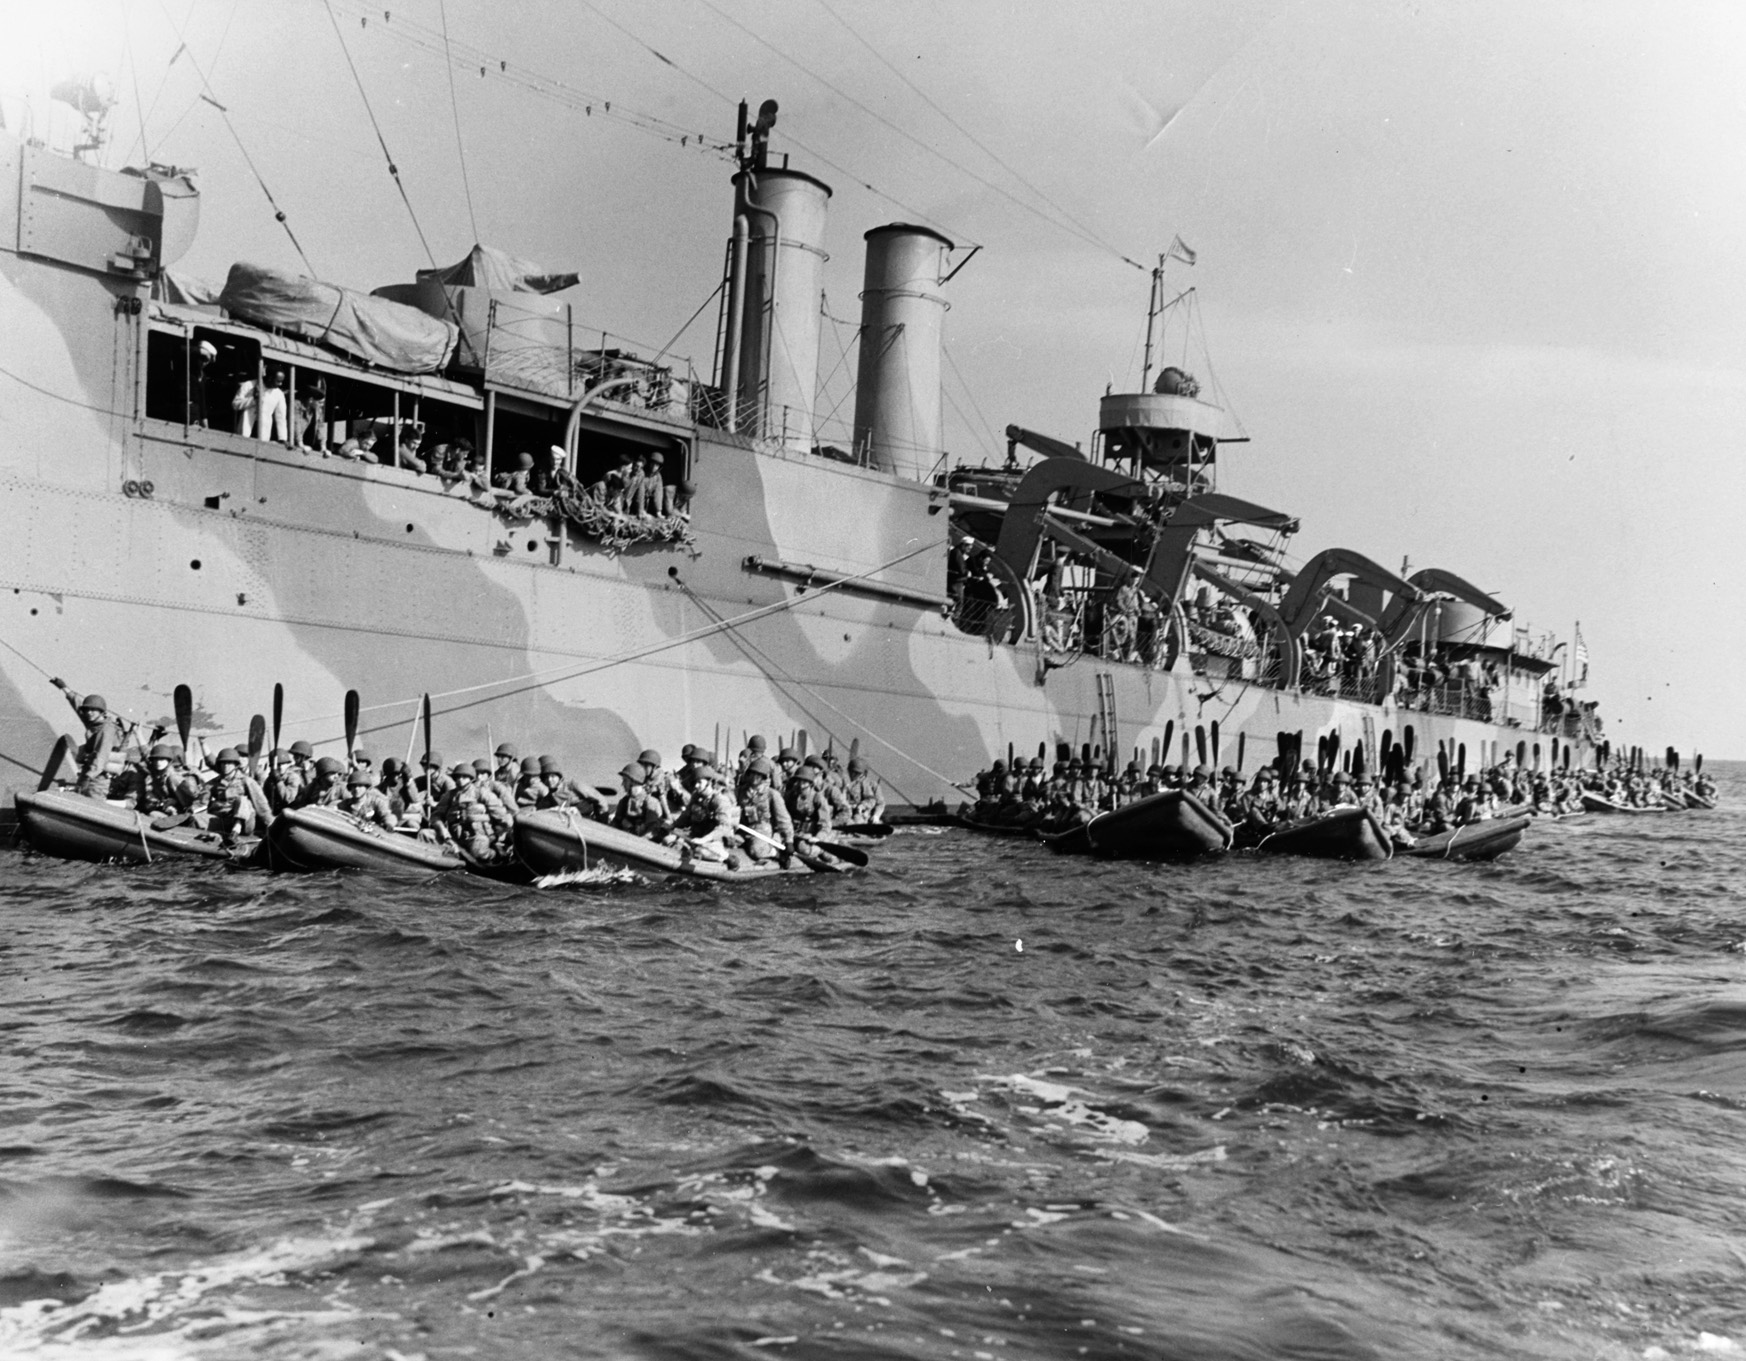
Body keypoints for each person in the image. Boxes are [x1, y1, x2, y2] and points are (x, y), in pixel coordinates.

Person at [50, 681, 123, 798]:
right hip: (89, 773)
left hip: (98, 779)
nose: (89, 713)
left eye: (93, 710)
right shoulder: (94, 723)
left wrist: (89, 776)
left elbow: (101, 756)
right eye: (87, 710)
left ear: (102, 712)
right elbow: (79, 707)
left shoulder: (105, 730)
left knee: (92, 801)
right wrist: (65, 689)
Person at [435, 762, 514, 858]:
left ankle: (497, 854)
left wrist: (502, 833)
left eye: (464, 777)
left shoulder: (481, 792)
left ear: (471, 778)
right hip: (454, 838)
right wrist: (442, 830)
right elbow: (436, 815)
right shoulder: (449, 795)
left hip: (478, 837)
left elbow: (501, 814)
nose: (460, 780)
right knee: (425, 834)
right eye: (458, 777)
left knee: (478, 850)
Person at [111, 743, 202, 818]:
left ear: (169, 761)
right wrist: (137, 732)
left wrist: (175, 802)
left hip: (178, 813)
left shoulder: (174, 778)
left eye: (162, 759)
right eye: (156, 760)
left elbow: (193, 799)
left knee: (152, 814)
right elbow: (146, 753)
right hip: (162, 805)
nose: (158, 762)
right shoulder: (156, 770)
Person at [204, 747, 271, 842]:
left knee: (242, 800)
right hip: (223, 820)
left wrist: (271, 824)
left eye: (229, 763)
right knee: (196, 819)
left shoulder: (247, 781)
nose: (226, 766)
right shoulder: (213, 783)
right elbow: (201, 804)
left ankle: (236, 830)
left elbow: (261, 805)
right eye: (223, 763)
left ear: (235, 764)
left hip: (244, 823)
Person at [736, 757, 793, 861]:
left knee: (756, 851)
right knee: (729, 841)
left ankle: (775, 853)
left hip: (763, 830)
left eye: (758, 775)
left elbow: (783, 819)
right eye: (752, 774)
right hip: (745, 829)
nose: (754, 777)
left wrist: (789, 840)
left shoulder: (772, 794)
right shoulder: (740, 792)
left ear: (763, 777)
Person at [612, 761, 667, 838]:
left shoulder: (651, 803)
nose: (622, 784)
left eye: (625, 780)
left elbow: (650, 834)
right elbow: (614, 825)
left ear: (633, 782)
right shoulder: (624, 802)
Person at [262, 748, 303, 815]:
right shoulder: (269, 781)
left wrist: (278, 780)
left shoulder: (293, 777)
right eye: (278, 765)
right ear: (272, 766)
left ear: (287, 764)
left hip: (291, 813)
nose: (280, 767)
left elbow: (288, 799)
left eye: (283, 764)